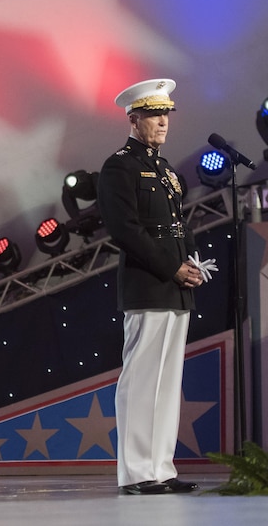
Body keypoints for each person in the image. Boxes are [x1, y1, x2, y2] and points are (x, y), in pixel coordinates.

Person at [97, 79, 210, 496]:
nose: (163, 122)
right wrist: (172, 268)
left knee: (167, 382)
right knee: (142, 381)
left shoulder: (164, 169)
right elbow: (125, 230)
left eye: (166, 115)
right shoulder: (119, 167)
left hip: (176, 285)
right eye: (154, 115)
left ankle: (161, 467)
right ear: (133, 118)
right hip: (149, 285)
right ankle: (137, 473)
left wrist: (193, 264)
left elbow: (180, 225)